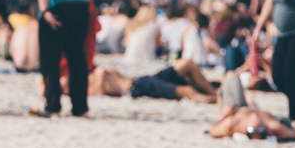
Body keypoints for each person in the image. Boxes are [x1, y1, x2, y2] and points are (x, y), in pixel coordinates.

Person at [88, 58, 217, 103]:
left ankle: (214, 94)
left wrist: (113, 72)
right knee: (187, 91)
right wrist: (100, 76)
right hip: (136, 88)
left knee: (187, 64)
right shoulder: (84, 84)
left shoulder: (90, 70)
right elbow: (99, 93)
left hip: (141, 79)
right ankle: (217, 100)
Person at [209, 108, 295, 141]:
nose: (256, 126)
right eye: (259, 130)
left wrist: (223, 116)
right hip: (275, 117)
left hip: (239, 109)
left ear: (244, 131)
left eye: (252, 130)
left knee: (231, 77)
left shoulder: (233, 124)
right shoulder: (273, 126)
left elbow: (212, 130)